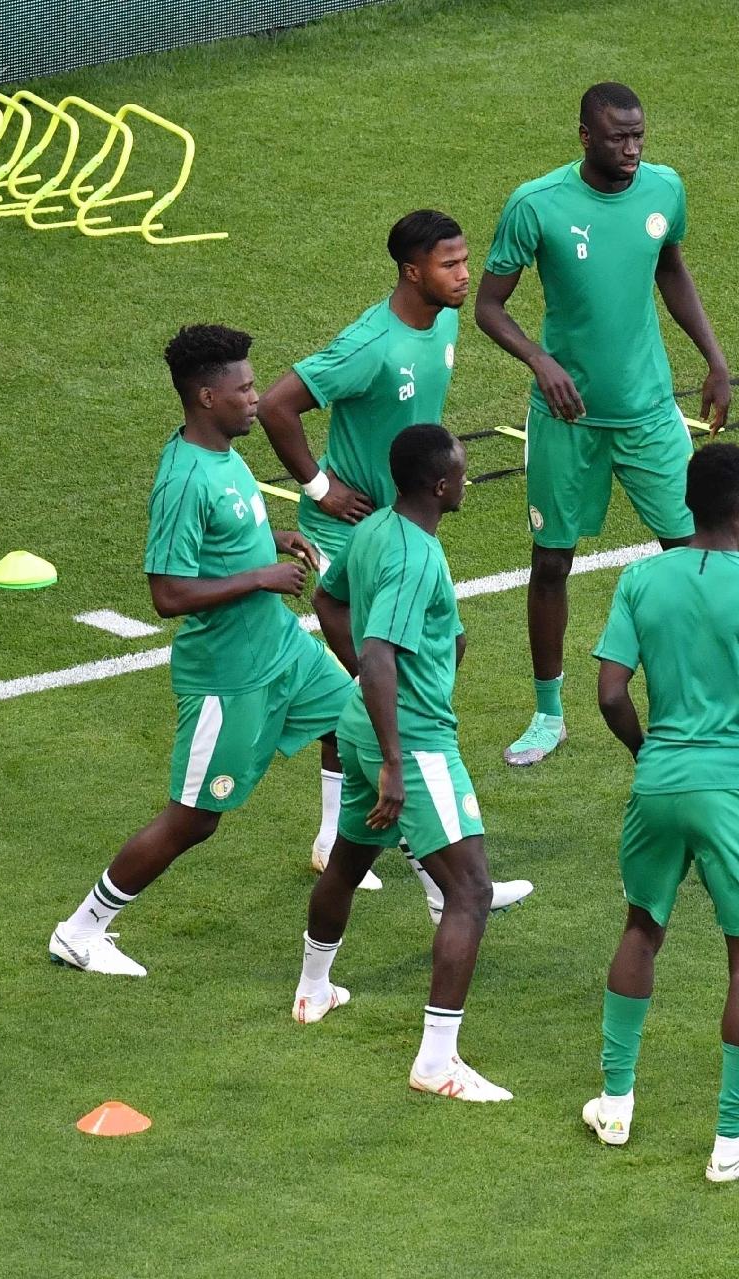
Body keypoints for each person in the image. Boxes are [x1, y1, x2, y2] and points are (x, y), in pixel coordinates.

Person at [47, 325, 350, 977]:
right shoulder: (183, 476)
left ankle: (448, 890)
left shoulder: (224, 454)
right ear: (207, 397)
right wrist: (259, 577)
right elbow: (167, 593)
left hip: (282, 650)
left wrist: (277, 536)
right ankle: (81, 929)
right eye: (243, 388)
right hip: (227, 677)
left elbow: (233, 524)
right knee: (195, 819)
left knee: (365, 727)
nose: (256, 396)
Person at [581, 443, 739, 1181]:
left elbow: (608, 694)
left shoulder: (638, 579)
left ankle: (616, 1100)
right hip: (733, 791)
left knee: (642, 926)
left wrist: (651, 754)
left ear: (689, 504)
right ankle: (731, 1143)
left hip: (658, 780)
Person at [478, 81, 732, 768]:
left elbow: (671, 269)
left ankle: (706, 714)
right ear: (584, 135)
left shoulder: (663, 190)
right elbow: (489, 305)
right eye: (618, 136)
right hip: (568, 421)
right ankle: (547, 714)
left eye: (639, 135)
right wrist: (540, 361)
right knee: (552, 561)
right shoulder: (537, 206)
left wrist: (713, 357)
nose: (632, 148)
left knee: (692, 561)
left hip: (649, 414)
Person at [295, 424, 511, 1102]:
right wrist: (395, 758)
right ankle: (436, 1061)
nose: (468, 480)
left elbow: (329, 600)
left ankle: (312, 990)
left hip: (362, 722)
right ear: (439, 485)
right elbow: (382, 652)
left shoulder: (376, 529)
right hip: (411, 741)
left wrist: (374, 678)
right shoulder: (415, 555)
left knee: (353, 854)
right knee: (470, 891)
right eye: (463, 472)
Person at [257, 208, 470, 893]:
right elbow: (276, 406)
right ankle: (426, 855)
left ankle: (343, 834)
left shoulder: (445, 319)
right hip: (350, 534)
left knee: (398, 675)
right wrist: (320, 486)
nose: (464, 275)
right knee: (381, 690)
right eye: (450, 264)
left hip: (399, 527)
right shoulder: (369, 345)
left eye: (465, 261)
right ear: (413, 271)